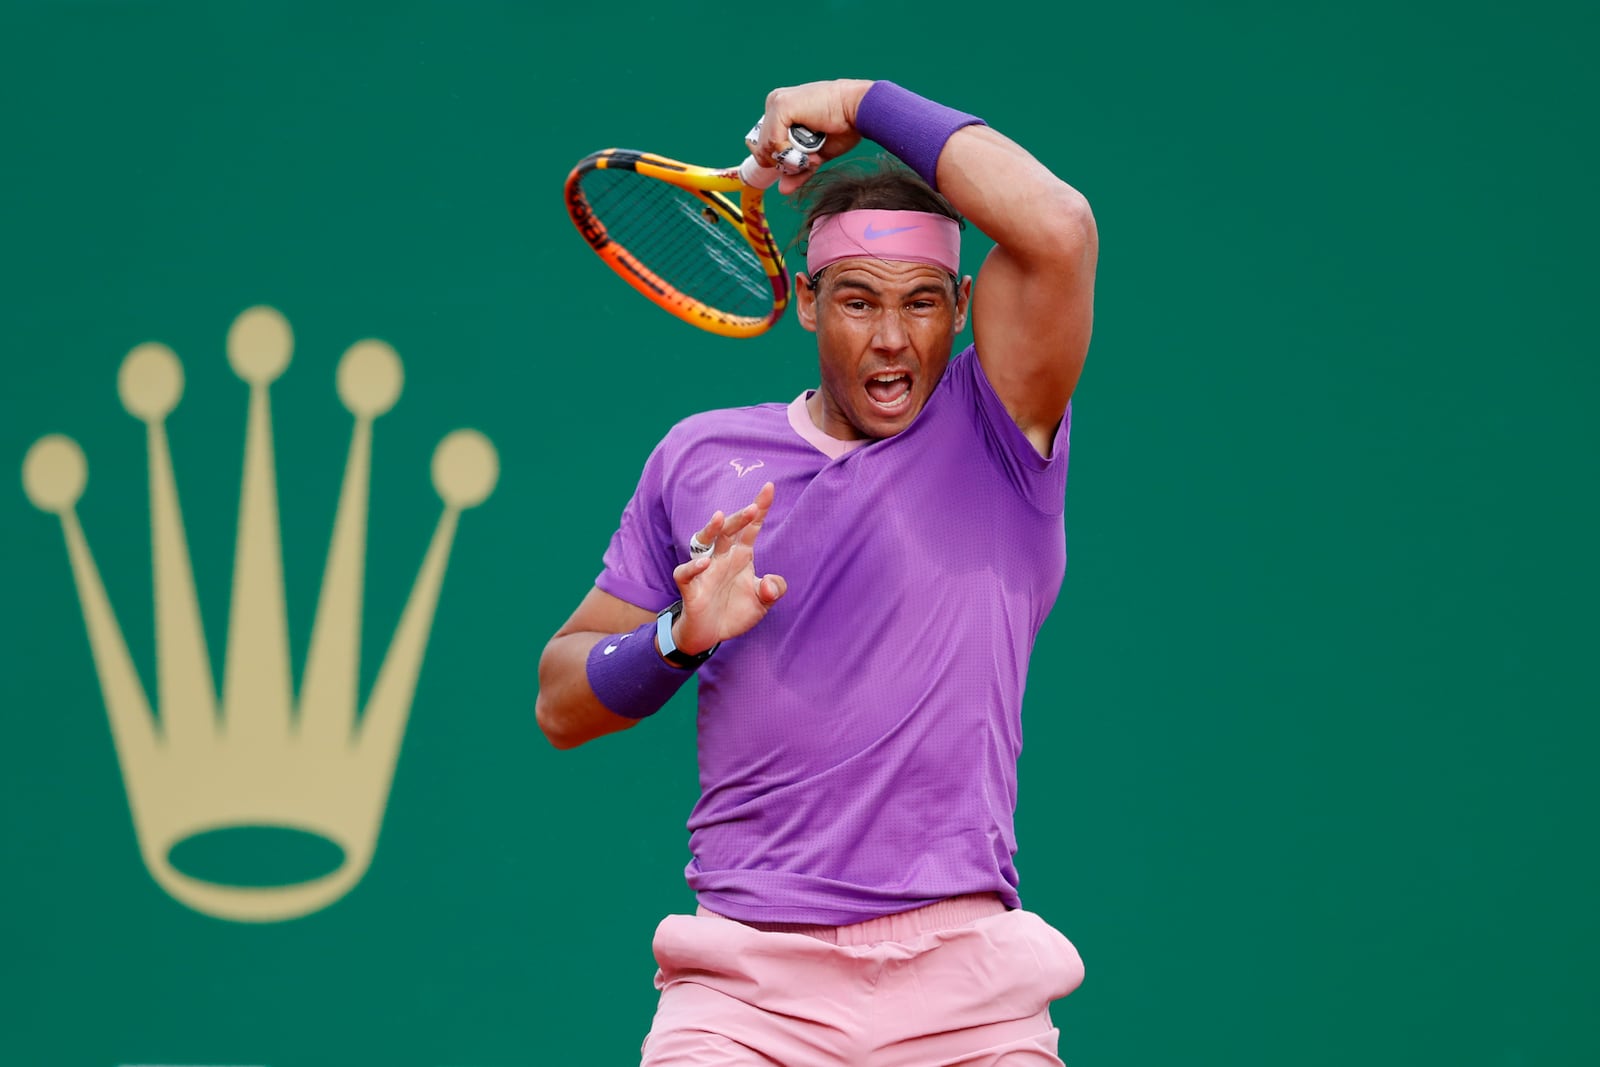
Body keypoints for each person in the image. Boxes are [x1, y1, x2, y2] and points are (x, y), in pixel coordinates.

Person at [536, 78, 1098, 1066]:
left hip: (967, 989)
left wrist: (860, 99)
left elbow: (1056, 224)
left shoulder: (999, 428)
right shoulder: (700, 456)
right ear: (806, 301)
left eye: (922, 303)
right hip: (749, 988)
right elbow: (561, 701)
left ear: (960, 308)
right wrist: (676, 637)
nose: (892, 338)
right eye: (858, 302)